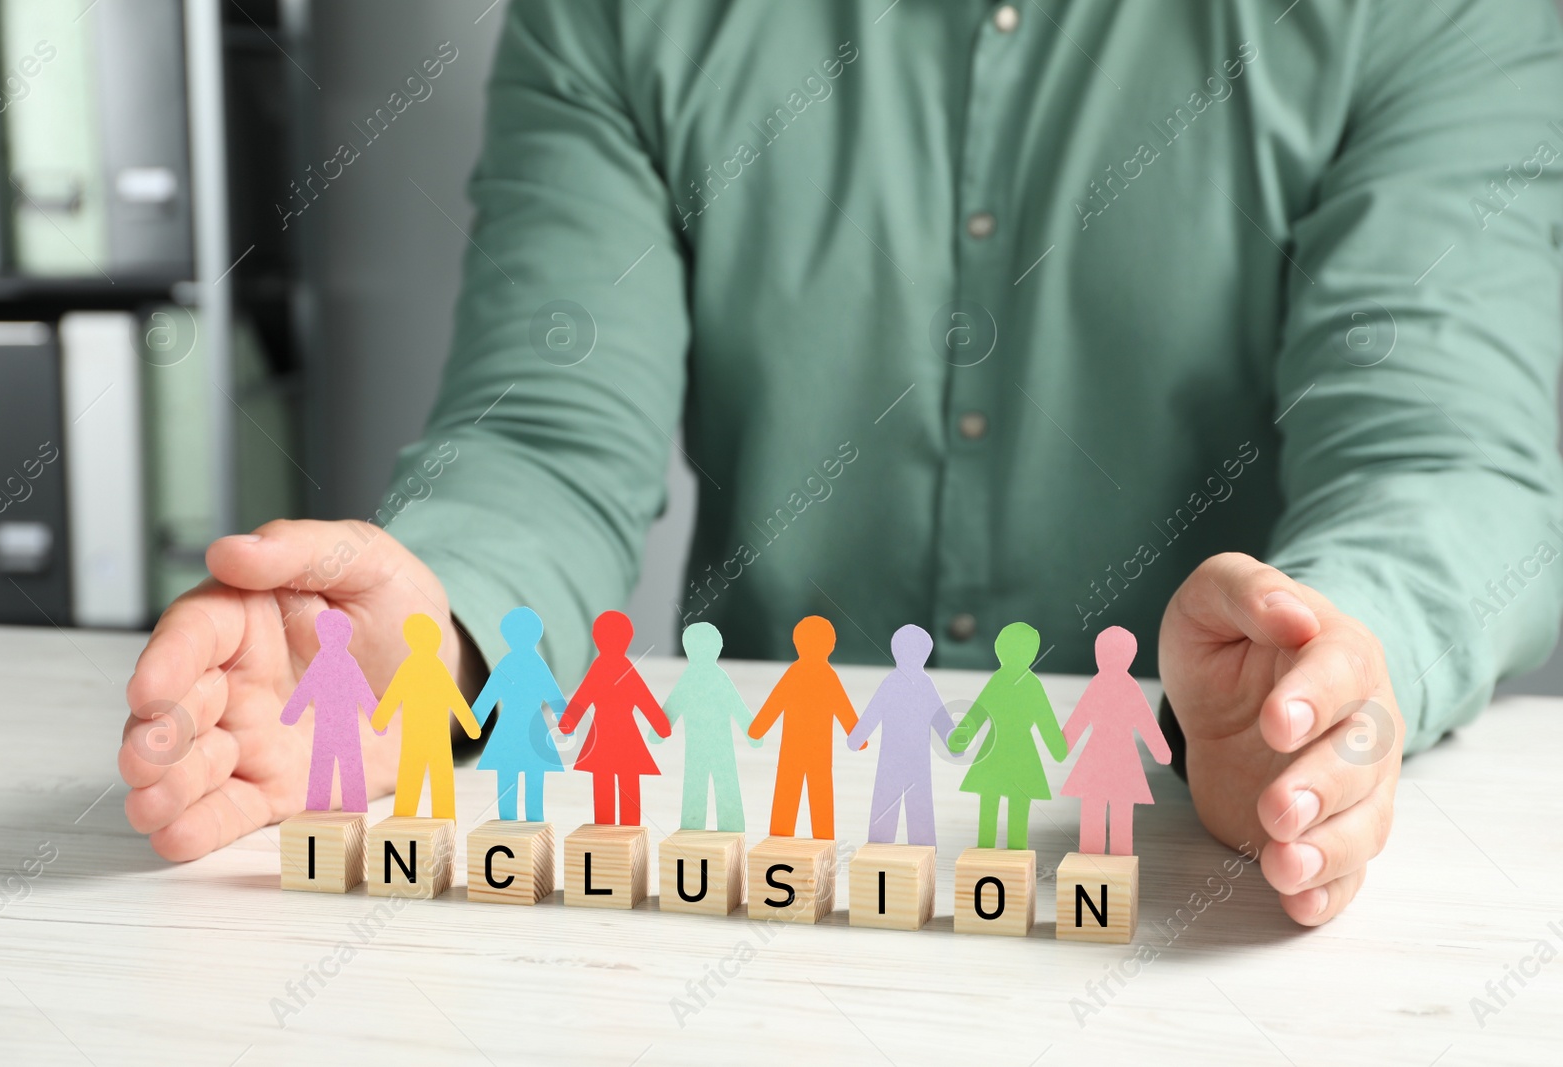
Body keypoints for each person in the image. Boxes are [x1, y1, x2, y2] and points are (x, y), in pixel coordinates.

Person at [120, 2, 1563, 926]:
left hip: (1192, 892)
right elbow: (545, 434)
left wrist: (1326, 671)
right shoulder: (614, 19)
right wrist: (436, 639)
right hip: (751, 890)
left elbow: (1448, 457)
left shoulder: (1435, 17)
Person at [948, 623, 1068, 851]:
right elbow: (1046, 722)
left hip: (996, 752)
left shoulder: (1002, 680)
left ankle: (1001, 849)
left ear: (999, 649)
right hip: (1020, 754)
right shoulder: (1028, 683)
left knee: (991, 797)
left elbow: (978, 712)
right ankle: (999, 849)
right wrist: (1058, 749)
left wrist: (960, 738)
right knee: (1016, 800)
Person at [1062, 626, 1173, 856]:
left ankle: (1113, 857)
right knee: (1116, 805)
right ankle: (1097, 855)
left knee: (1098, 803)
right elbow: (1146, 722)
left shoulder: (1105, 684)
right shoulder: (1123, 686)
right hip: (1122, 758)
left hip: (1100, 756)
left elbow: (1079, 718)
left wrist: (1063, 746)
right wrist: (1161, 751)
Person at [748, 616, 860, 839]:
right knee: (818, 790)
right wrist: (857, 737)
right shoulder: (827, 675)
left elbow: (773, 704)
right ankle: (821, 836)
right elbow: (844, 708)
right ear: (831, 645)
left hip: (794, 749)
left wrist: (757, 730)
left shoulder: (796, 672)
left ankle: (797, 835)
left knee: (788, 790)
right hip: (818, 750)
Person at [557, 610, 670, 825]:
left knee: (605, 777)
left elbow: (583, 697)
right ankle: (615, 825)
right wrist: (661, 724)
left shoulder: (604, 667)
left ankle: (620, 825)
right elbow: (644, 700)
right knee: (622, 777)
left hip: (605, 735)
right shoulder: (619, 667)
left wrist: (568, 722)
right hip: (621, 735)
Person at [846, 624, 951, 847]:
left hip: (900, 759)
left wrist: (856, 739)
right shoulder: (913, 683)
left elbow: (938, 715)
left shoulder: (902, 682)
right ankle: (889, 845)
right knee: (905, 800)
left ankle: (917, 846)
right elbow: (939, 717)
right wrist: (953, 742)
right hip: (906, 759)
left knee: (905, 801)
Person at [370, 614, 482, 820]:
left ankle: (439, 817)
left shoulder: (418, 667)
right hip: (428, 735)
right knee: (429, 774)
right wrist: (470, 725)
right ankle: (412, 817)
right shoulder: (425, 667)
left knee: (418, 773)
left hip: (428, 735)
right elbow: (453, 697)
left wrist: (380, 719)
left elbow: (395, 695)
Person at [655, 622, 760, 833]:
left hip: (706, 746)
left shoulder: (700, 677)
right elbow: (673, 707)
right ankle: (699, 828)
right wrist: (753, 733)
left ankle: (729, 827)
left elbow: (736, 705)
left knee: (710, 783)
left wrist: (658, 732)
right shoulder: (703, 677)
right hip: (710, 745)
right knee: (708, 783)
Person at [468, 606, 569, 822]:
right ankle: (516, 819)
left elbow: (488, 697)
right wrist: (566, 723)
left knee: (510, 774)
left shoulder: (509, 663)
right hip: (530, 728)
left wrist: (472, 724)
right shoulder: (534, 665)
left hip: (512, 727)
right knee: (527, 773)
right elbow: (553, 696)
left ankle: (526, 818)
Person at [278, 609, 379, 813]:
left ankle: (355, 809)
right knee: (323, 770)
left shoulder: (345, 663)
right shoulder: (323, 662)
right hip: (326, 727)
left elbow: (362, 690)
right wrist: (291, 713)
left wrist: (377, 719)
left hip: (345, 727)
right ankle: (318, 811)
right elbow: (305, 689)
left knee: (348, 769)